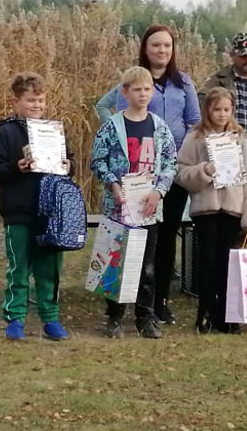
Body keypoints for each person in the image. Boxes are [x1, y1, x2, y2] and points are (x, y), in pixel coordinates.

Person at [95, 24, 200, 324]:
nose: (162, 50)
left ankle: (158, 302)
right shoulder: (134, 80)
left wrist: (178, 156)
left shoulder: (184, 83)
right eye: (156, 45)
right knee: (127, 239)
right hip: (133, 177)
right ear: (145, 48)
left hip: (169, 174)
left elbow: (194, 121)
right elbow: (113, 115)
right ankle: (120, 305)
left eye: (167, 45)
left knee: (164, 238)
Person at [0, 72, 72, 342]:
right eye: (31, 100)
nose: (37, 105)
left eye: (41, 100)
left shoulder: (53, 131)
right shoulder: (4, 133)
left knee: (49, 269)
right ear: (16, 102)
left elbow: (70, 162)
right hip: (19, 212)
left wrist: (69, 165)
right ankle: (15, 318)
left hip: (50, 214)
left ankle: (50, 318)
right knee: (19, 268)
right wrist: (16, 167)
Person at [91, 66, 177, 339]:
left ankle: (145, 316)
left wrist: (159, 192)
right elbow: (98, 160)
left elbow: (170, 163)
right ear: (125, 93)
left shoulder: (159, 127)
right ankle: (114, 316)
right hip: (118, 206)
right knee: (115, 261)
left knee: (146, 265)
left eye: (147, 89)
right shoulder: (111, 127)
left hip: (147, 207)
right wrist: (113, 184)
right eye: (137, 89)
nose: (142, 94)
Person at [175, 87, 247, 334]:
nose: (222, 114)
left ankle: (228, 316)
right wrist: (204, 171)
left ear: (232, 110)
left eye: (226, 109)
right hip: (207, 210)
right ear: (207, 111)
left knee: (228, 263)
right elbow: (180, 171)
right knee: (208, 262)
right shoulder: (195, 137)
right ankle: (205, 313)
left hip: (232, 209)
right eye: (217, 110)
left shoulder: (239, 138)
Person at [198, 31, 247, 176]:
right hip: (227, 152)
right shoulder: (216, 82)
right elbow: (202, 108)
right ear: (232, 55)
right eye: (243, 55)